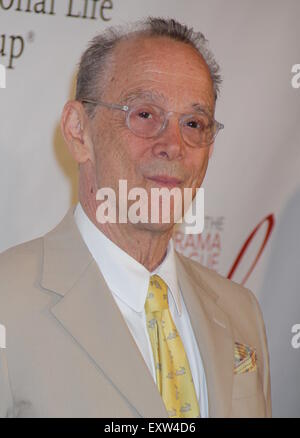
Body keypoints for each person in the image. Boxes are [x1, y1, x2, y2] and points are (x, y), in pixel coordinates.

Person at [0, 17, 271, 418]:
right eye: (145, 115)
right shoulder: (7, 301)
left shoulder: (241, 311)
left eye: (194, 124)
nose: (173, 146)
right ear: (78, 132)